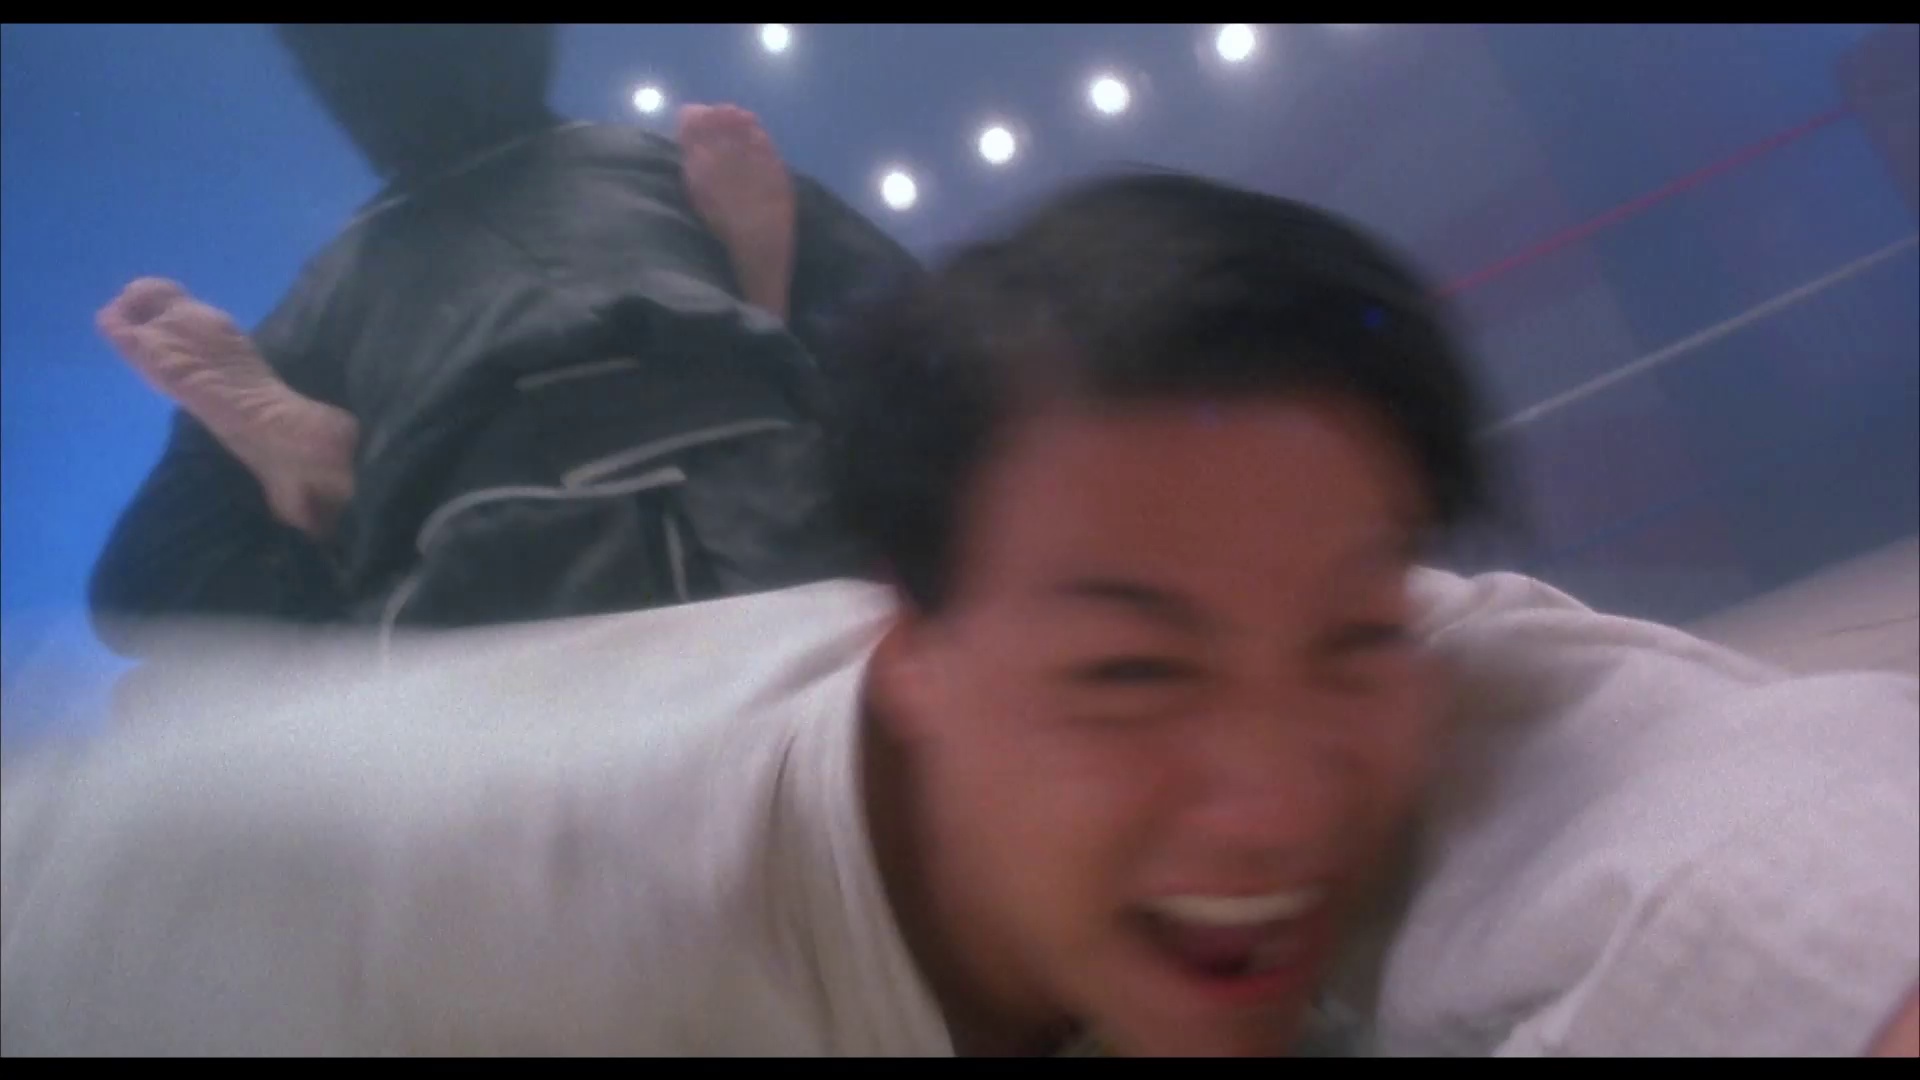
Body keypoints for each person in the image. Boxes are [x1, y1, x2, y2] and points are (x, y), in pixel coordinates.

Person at [4, 173, 1914, 1056]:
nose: (1280, 798)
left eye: (1355, 635)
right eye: (1136, 672)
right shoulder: (445, 905)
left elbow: (1671, 780)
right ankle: (337, 483)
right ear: (911, 655)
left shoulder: (1274, 618)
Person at [86, 25, 921, 655]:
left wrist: (344, 555)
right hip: (775, 539)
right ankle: (766, 314)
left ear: (327, 83)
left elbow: (141, 588)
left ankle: (348, 501)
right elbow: (941, 359)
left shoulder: (320, 300)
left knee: (216, 583)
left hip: (494, 612)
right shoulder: (681, 175)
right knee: (884, 389)